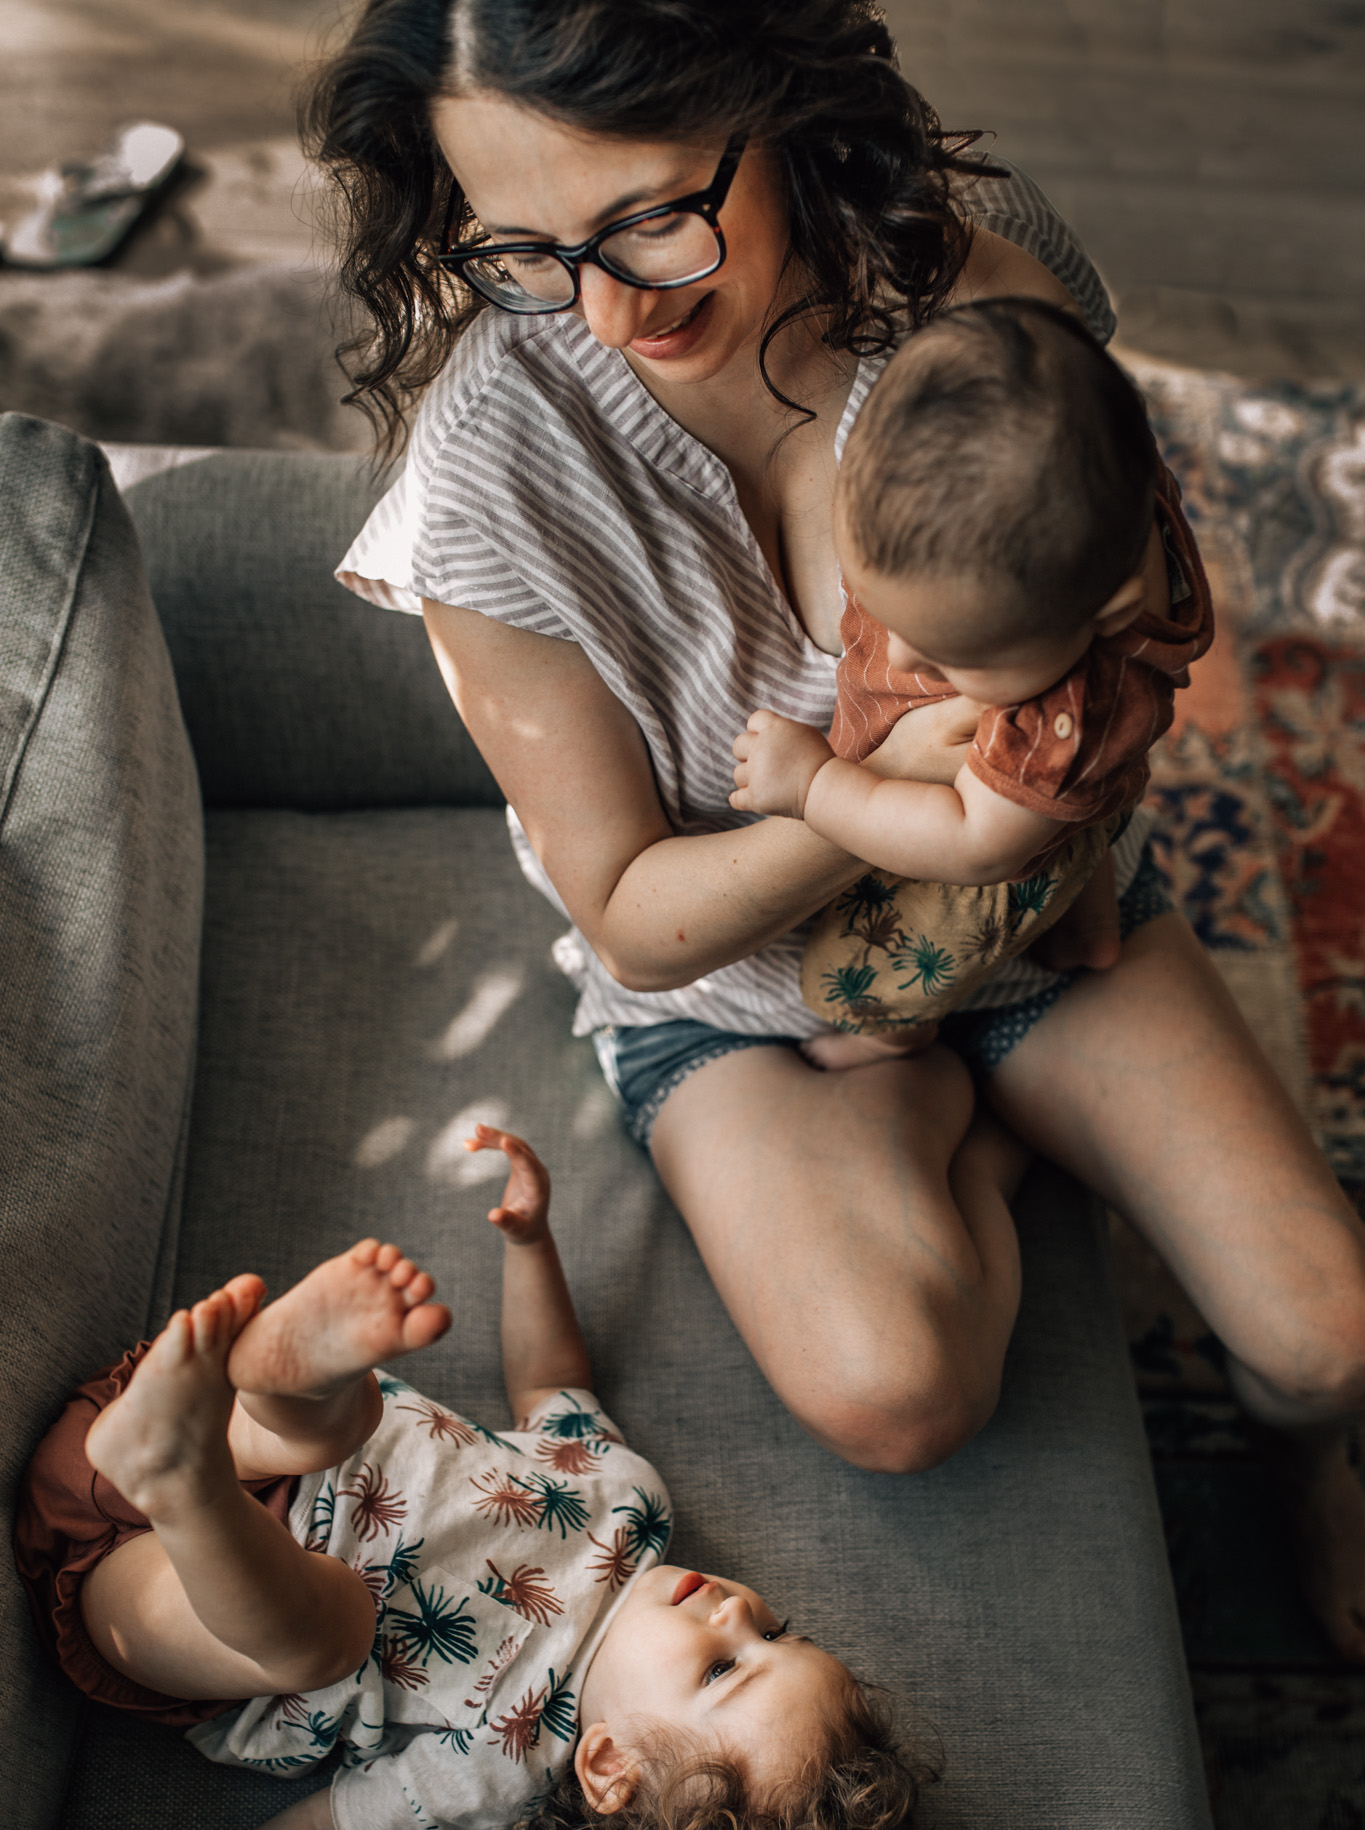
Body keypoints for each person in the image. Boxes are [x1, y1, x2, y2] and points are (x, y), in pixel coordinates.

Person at [309, 0, 1365, 1660]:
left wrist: (1041, 776)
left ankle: (1310, 1469)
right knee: (897, 1389)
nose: (608, 303)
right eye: (519, 249)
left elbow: (1139, 616)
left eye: (650, 212)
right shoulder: (488, 477)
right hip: (737, 996)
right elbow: (641, 918)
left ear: (767, 90)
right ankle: (976, 1120)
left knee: (1328, 1337)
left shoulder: (983, 298)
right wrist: (864, 786)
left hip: (1028, 920)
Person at [3, 1130, 929, 1830]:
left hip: (162, 1597)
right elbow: (550, 1382)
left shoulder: (502, 1768)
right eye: (778, 1632)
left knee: (329, 1633)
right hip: (213, 1423)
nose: (736, 1611)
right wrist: (530, 1244)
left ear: (608, 1763)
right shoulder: (629, 1501)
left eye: (721, 1670)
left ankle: (188, 1480)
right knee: (344, 1415)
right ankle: (260, 1399)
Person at [729, 296, 1212, 1067]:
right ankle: (1088, 926)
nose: (910, 663)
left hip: (993, 845)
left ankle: (899, 1034)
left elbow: (971, 845)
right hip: (1077, 792)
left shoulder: (1052, 734)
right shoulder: (1096, 500)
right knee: (1086, 817)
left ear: (1106, 613)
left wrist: (816, 787)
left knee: (869, 968)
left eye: (955, 654)